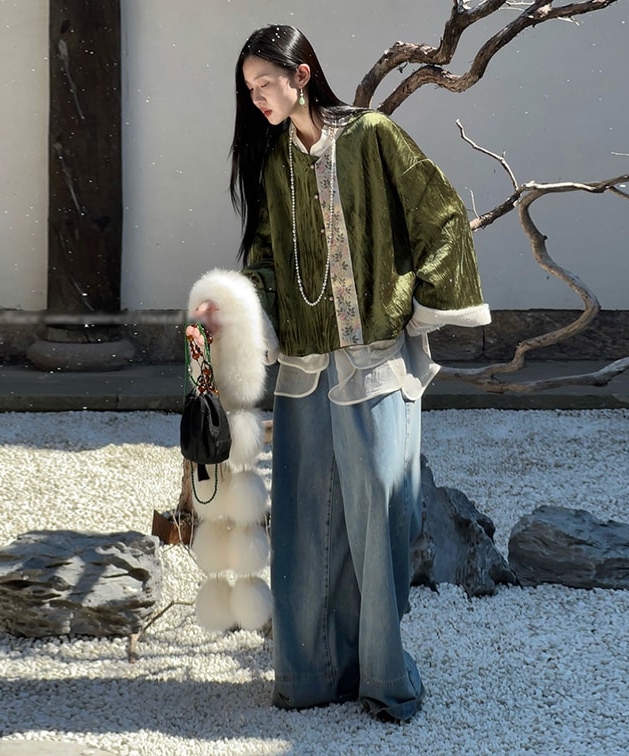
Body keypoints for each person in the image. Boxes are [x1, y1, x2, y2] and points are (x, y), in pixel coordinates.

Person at [192, 24, 490, 722]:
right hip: (305, 366)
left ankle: (382, 677)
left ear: (302, 75)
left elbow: (441, 214)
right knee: (304, 521)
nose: (258, 98)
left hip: (375, 360)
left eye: (266, 82)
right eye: (249, 89)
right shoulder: (273, 161)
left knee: (379, 518)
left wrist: (413, 304)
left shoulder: (373, 136)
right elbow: (266, 258)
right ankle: (309, 676)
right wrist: (232, 307)